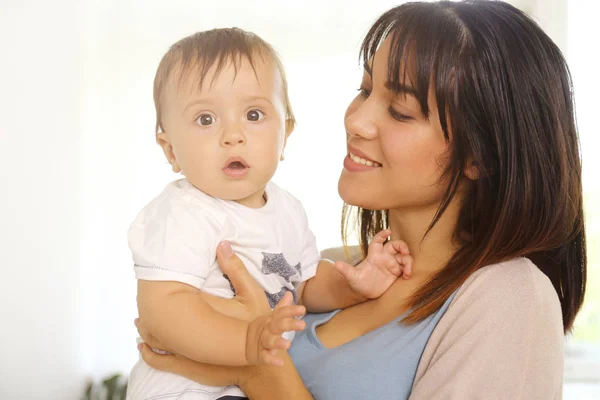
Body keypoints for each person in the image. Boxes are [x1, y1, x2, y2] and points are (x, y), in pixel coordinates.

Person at [136, 1, 587, 399]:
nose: (356, 121)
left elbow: (253, 366)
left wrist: (255, 369)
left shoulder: (509, 297)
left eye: (400, 111)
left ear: (480, 157)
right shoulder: (324, 268)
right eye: (366, 89)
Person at [126, 28, 413, 400]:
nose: (233, 135)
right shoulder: (182, 212)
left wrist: (351, 285)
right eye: (205, 120)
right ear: (171, 152)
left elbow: (303, 285)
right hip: (184, 386)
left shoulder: (288, 210)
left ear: (285, 134)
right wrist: (248, 341)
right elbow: (161, 310)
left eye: (254, 114)